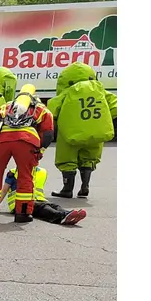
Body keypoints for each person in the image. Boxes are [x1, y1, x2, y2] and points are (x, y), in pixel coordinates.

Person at [0, 85, 55, 223]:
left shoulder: (5, 107)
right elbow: (48, 134)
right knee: (25, 176)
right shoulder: (41, 109)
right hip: (26, 141)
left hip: (1, 141)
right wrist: (40, 150)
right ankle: (22, 213)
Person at [45, 62, 116, 199]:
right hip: (95, 131)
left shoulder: (67, 92)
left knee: (67, 160)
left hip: (70, 133)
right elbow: (115, 106)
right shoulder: (100, 90)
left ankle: (67, 189)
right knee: (89, 159)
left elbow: (51, 111)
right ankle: (85, 186)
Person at [2, 165, 88, 226]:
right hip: (19, 205)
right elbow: (4, 190)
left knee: (54, 205)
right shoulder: (14, 172)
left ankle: (69, 214)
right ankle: (62, 216)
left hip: (38, 199)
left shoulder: (41, 172)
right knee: (43, 207)